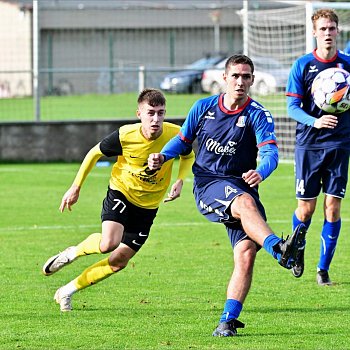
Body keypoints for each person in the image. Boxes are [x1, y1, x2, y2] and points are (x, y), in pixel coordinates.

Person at [148, 54, 306, 337]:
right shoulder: (203, 107)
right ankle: (280, 250)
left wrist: (261, 171)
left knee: (246, 254)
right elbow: (183, 142)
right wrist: (163, 156)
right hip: (209, 185)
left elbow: (270, 151)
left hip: (242, 186)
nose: (241, 82)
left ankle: (227, 321)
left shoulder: (258, 114)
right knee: (244, 203)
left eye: (246, 77)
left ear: (253, 80)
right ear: (224, 78)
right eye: (235, 76)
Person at [42, 88, 195, 312]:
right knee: (108, 244)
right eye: (150, 113)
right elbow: (94, 153)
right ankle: (72, 253)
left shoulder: (176, 133)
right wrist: (75, 187)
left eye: (161, 113)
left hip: (149, 206)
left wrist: (180, 180)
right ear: (139, 113)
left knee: (118, 262)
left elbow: (188, 155)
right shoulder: (125, 135)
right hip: (121, 192)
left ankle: (67, 291)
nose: (156, 119)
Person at [286, 9, 350, 286]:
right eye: (322, 29)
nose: (327, 33)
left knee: (333, 208)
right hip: (309, 145)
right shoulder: (302, 65)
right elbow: (291, 108)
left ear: (338, 31)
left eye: (332, 28)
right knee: (306, 210)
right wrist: (316, 120)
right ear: (314, 32)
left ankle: (323, 269)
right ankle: (296, 249)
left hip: (339, 144)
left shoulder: (347, 65)